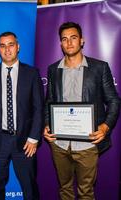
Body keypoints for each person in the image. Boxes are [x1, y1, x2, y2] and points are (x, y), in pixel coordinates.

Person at [43, 22, 120, 199]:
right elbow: (49, 102)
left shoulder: (99, 68)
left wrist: (105, 127)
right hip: (60, 144)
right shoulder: (53, 69)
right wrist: (47, 124)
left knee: (86, 191)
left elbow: (114, 100)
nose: (69, 43)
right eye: (64, 39)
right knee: (65, 189)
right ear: (60, 44)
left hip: (87, 143)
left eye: (73, 38)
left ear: (82, 41)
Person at [0, 32, 44, 200]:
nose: (7, 49)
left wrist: (34, 138)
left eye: (11, 44)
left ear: (18, 47)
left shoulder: (32, 73)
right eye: (3, 46)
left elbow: (39, 108)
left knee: (30, 188)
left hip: (26, 142)